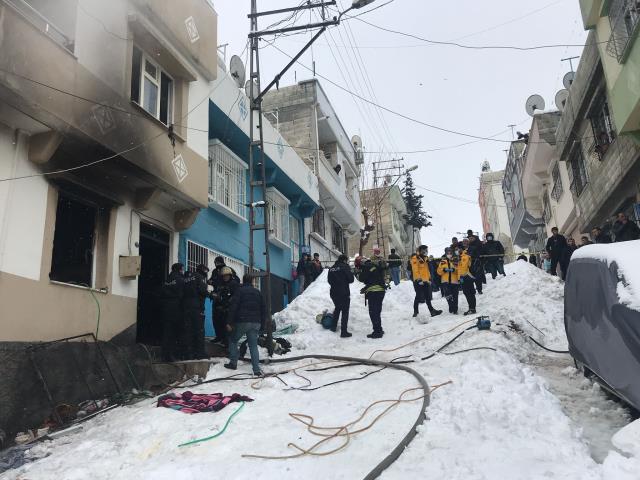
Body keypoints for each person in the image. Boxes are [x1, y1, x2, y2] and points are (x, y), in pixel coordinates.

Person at [224, 274, 266, 376]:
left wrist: (229, 322)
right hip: (256, 322)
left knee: (233, 340)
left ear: (243, 280)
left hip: (243, 321)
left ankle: (233, 363)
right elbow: (263, 309)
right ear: (252, 281)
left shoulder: (240, 291)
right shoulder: (258, 292)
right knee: (253, 346)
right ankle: (256, 370)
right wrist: (262, 325)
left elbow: (234, 307)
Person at [182, 264, 209, 360]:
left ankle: (188, 353)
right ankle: (200, 353)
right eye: (206, 271)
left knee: (188, 330)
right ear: (202, 270)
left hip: (186, 307)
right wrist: (210, 295)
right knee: (199, 330)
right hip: (196, 307)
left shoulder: (187, 278)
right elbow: (202, 291)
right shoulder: (200, 277)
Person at [358, 256, 388, 339]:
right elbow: (374, 279)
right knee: (377, 312)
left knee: (373, 312)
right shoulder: (374, 266)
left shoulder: (366, 267)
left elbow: (361, 278)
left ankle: (377, 332)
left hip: (374, 292)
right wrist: (365, 288)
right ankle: (379, 329)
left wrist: (359, 272)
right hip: (381, 291)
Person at [161, 263, 185, 362]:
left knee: (167, 332)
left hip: (166, 308)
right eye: (182, 269)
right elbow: (182, 294)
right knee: (175, 333)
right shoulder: (180, 279)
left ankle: (165, 354)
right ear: (179, 269)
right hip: (176, 308)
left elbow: (163, 292)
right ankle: (171, 355)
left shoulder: (168, 279)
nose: (183, 271)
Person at [410, 245, 443, 318]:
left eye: (426, 250)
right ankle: (415, 312)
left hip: (426, 280)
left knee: (428, 297)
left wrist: (429, 279)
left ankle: (432, 311)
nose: (425, 251)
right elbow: (415, 270)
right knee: (418, 296)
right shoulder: (415, 258)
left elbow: (427, 270)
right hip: (418, 281)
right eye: (424, 250)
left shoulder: (426, 259)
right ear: (420, 250)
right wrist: (419, 279)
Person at [327, 255, 354, 338]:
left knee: (338, 308)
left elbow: (329, 281)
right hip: (343, 292)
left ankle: (333, 327)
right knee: (345, 311)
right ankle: (344, 331)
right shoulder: (345, 267)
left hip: (333, 293)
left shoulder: (331, 268)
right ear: (345, 260)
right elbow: (351, 279)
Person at [211, 266, 239, 346]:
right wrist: (214, 295)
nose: (225, 277)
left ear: (230, 275)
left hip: (228, 309)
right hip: (220, 307)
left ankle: (228, 342)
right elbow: (217, 292)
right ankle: (220, 338)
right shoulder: (221, 284)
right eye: (224, 276)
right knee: (218, 323)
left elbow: (235, 296)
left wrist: (227, 303)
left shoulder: (233, 284)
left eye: (227, 275)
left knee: (228, 325)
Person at [437, 248, 461, 314]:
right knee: (448, 295)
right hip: (445, 281)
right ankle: (451, 306)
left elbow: (459, 270)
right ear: (446, 253)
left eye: (450, 253)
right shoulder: (442, 262)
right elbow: (438, 272)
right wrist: (444, 270)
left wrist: (454, 270)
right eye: (448, 253)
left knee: (455, 296)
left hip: (455, 281)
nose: (449, 254)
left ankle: (455, 309)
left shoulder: (456, 260)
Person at [457, 246, 477, 316]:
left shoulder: (465, 257)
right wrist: (459, 278)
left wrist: (461, 276)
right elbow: (459, 269)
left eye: (458, 249)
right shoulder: (459, 257)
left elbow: (464, 267)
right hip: (463, 277)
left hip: (467, 276)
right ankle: (471, 308)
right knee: (467, 293)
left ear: (462, 249)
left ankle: (472, 309)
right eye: (456, 249)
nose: (457, 250)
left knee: (469, 293)